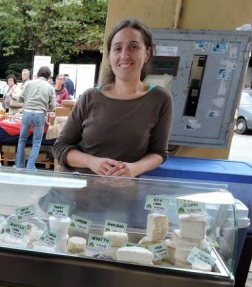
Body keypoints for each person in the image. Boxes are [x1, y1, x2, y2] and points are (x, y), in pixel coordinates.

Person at [53, 18, 173, 177]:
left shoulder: (160, 99)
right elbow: (60, 147)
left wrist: (135, 168)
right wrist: (92, 162)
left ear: (147, 53)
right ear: (109, 55)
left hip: (124, 190)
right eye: (117, 48)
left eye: (133, 47)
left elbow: (159, 153)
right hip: (78, 188)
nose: (125, 55)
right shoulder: (90, 97)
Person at [15, 66, 56, 170]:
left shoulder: (28, 83)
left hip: (27, 112)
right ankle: (30, 167)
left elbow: (20, 99)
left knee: (22, 139)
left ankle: (19, 165)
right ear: (48, 76)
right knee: (36, 142)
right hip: (40, 114)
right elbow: (52, 107)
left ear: (38, 74)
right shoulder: (50, 87)